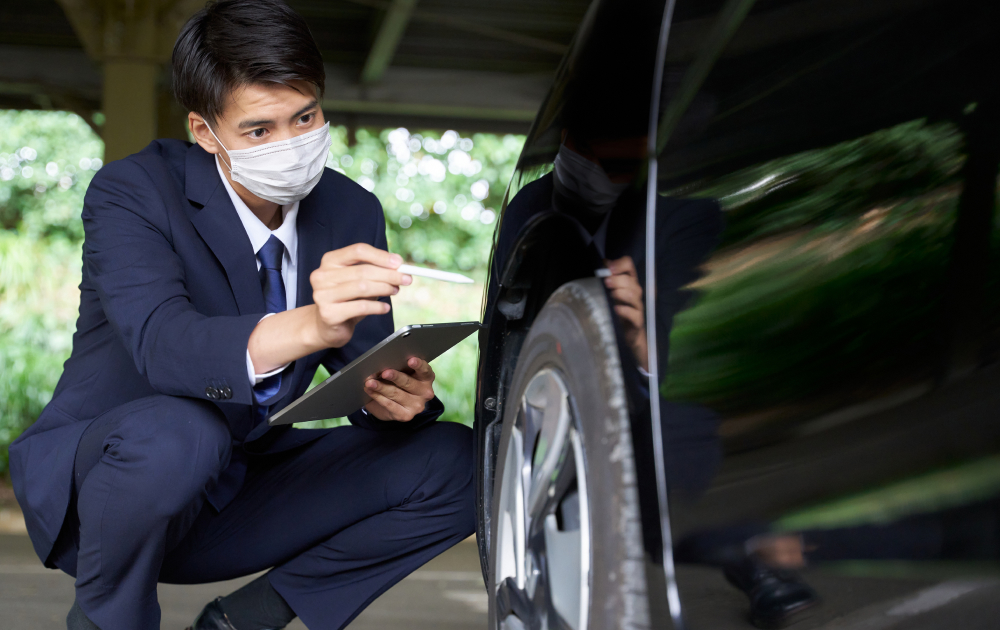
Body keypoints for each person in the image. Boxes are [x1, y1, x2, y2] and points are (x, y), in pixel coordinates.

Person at [8, 1, 475, 629]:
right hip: (115, 490)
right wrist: (312, 323)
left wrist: (391, 397)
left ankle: (243, 621)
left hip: (239, 488)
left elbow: (360, 363)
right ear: (205, 132)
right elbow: (165, 346)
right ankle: (106, 617)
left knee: (457, 462)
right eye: (259, 130)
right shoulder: (135, 191)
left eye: (305, 117)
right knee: (183, 433)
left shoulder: (348, 207)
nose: (291, 145)